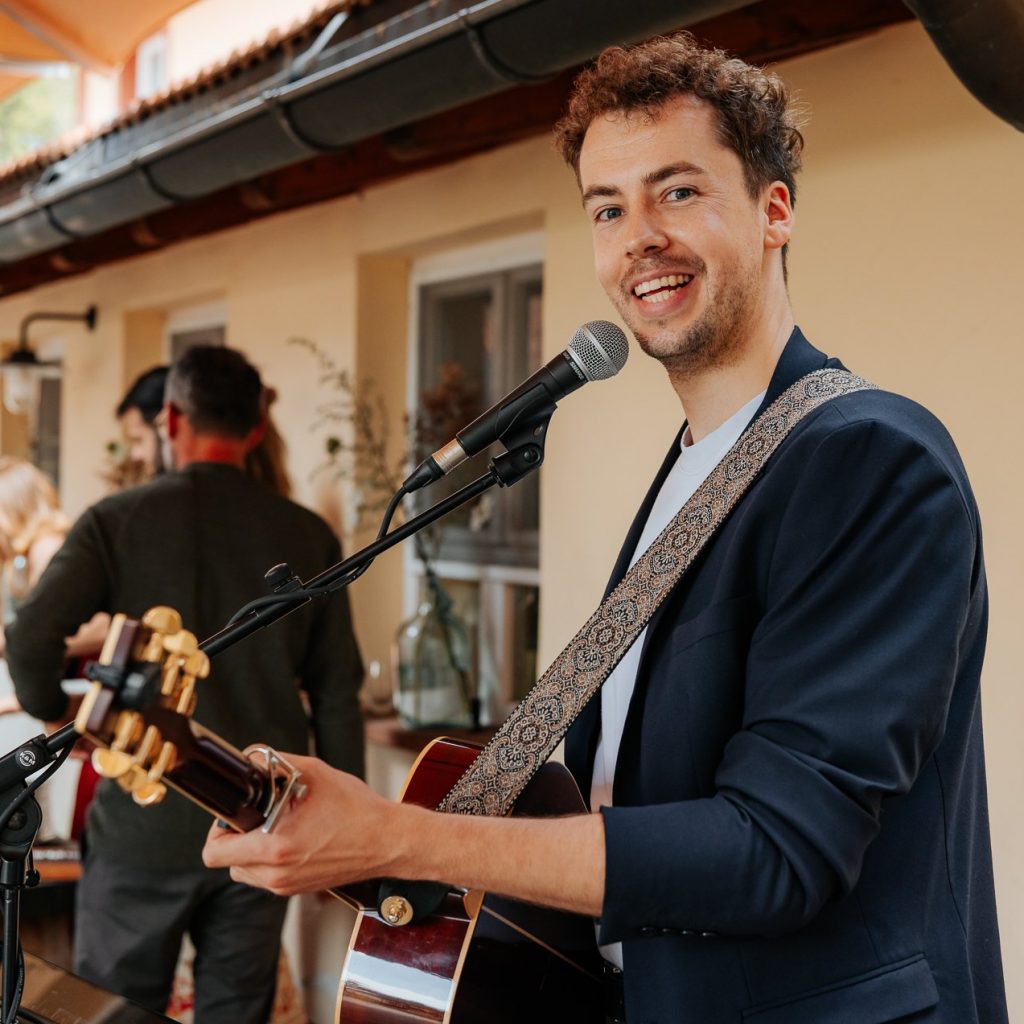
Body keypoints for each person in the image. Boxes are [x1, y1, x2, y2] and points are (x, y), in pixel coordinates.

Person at [205, 33, 1006, 1023]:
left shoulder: (868, 459)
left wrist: (398, 838)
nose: (639, 237)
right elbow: (614, 799)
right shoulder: (692, 470)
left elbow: (777, 853)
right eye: (608, 207)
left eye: (677, 191)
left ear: (774, 210)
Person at [7, 345, 365, 1023]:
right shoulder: (307, 533)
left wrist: (65, 719)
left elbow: (29, 643)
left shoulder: (119, 519)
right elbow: (338, 693)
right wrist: (346, 829)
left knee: (110, 1012)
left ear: (170, 418)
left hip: (145, 821)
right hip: (261, 814)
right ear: (256, 427)